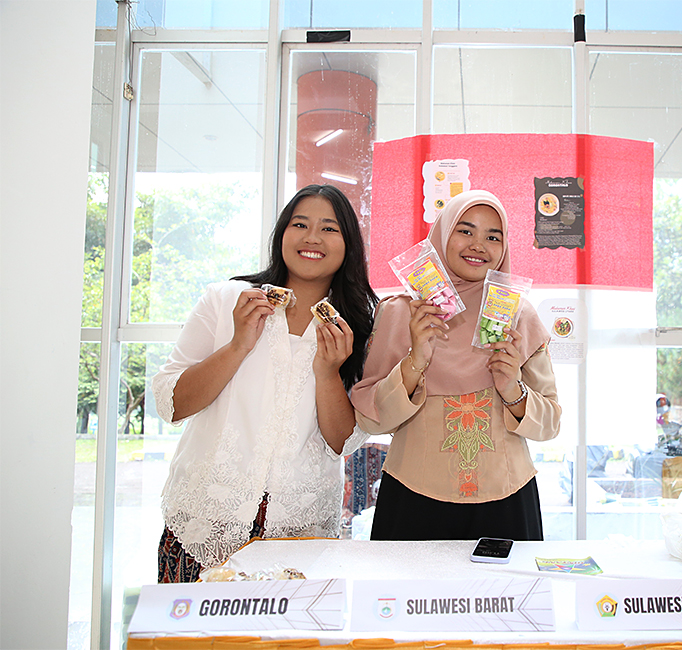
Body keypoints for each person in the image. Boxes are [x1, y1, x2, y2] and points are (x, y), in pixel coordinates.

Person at [151, 184, 378, 582]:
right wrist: (238, 344)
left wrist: (328, 373)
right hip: (204, 523)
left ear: (349, 245)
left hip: (299, 532)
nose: (312, 237)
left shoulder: (359, 326)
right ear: (281, 234)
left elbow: (342, 442)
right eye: (300, 224)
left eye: (329, 228)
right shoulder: (227, 300)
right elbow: (172, 405)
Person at [350, 189, 561, 541]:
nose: (478, 245)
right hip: (412, 498)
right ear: (443, 234)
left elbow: (550, 424)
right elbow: (370, 419)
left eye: (493, 237)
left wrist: (512, 389)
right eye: (465, 231)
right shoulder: (401, 314)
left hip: (507, 498)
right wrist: (415, 361)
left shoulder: (517, 317)